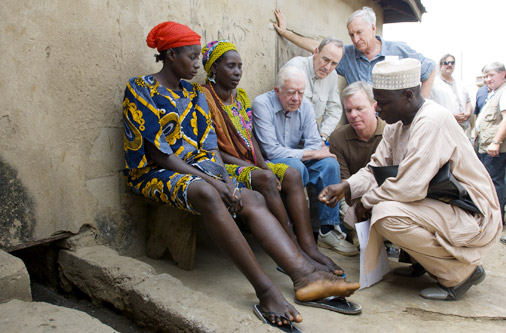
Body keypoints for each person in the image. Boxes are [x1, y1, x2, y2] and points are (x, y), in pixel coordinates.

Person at [122, 22, 359, 327]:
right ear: (169, 55)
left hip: (198, 170)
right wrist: (213, 182)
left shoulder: (194, 94)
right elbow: (159, 154)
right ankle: (267, 291)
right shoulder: (141, 88)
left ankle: (304, 274)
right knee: (209, 192)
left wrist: (227, 181)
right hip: (154, 172)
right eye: (192, 57)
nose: (197, 64)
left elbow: (208, 149)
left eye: (198, 57)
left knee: (250, 197)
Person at [319, 58, 502, 301]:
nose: (377, 109)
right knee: (367, 204)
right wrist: (346, 187)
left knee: (385, 214)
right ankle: (424, 263)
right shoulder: (397, 124)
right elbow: (376, 168)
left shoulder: (432, 119)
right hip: (441, 203)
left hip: (471, 212)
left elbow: (409, 187)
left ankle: (460, 274)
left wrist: (366, 201)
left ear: (407, 96)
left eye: (383, 103)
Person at [200, 39, 340, 271]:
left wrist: (263, 166)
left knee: (293, 174)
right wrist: (262, 169)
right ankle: (292, 246)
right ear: (214, 68)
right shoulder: (204, 97)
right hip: (222, 164)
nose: (237, 73)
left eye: (240, 66)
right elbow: (213, 148)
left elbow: (251, 138)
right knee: (275, 175)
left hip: (250, 162)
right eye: (230, 66)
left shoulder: (240, 97)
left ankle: (310, 246)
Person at [252, 65, 358, 256]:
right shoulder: (262, 104)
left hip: (297, 157)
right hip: (268, 162)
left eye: (301, 92)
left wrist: (315, 153)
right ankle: (292, 231)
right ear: (277, 91)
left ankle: (327, 230)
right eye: (291, 93)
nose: (297, 99)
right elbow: (271, 151)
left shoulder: (305, 105)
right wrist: (314, 153)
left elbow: (314, 144)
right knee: (295, 168)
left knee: (329, 164)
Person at [273, 7, 436, 97]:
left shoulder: (399, 50)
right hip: (362, 127)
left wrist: (419, 108)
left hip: (393, 124)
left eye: (359, 33)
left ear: (373, 28)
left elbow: (430, 69)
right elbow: (317, 46)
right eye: (351, 34)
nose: (355, 39)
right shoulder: (348, 55)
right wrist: (286, 33)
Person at [328, 81, 385, 228]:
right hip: (351, 194)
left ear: (374, 106)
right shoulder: (338, 138)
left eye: (360, 109)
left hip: (384, 194)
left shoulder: (390, 132)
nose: (353, 115)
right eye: (348, 110)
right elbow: (344, 182)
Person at [283, 37, 343, 141]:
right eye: (326, 60)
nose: (328, 67)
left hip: (312, 136)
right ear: (316, 52)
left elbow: (334, 109)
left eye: (334, 64)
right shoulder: (295, 67)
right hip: (286, 134)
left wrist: (323, 136)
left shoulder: (332, 76)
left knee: (332, 158)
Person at [475, 62, 506, 224]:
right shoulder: (493, 92)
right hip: (486, 147)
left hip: (494, 149)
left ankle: (496, 221)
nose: (488, 79)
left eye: (491, 75)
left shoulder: (505, 92)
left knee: (494, 183)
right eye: (485, 76)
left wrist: (496, 142)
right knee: (488, 182)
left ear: (503, 74)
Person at [430, 54, 472, 137]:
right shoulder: (433, 84)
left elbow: (468, 101)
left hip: (464, 129)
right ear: (440, 65)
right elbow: (430, 107)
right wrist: (451, 117)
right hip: (446, 129)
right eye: (446, 63)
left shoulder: (460, 84)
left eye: (452, 63)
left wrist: (468, 113)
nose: (449, 65)